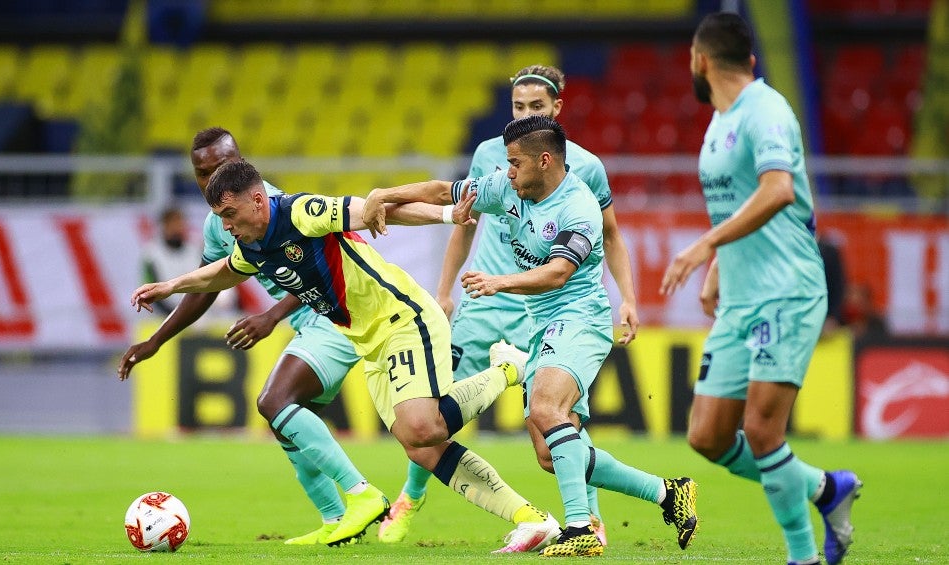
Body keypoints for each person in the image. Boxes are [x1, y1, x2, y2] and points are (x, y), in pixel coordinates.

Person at [130, 159, 563, 553]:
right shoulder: (252, 244)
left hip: (401, 318)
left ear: (258, 201)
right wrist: (170, 286)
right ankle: (532, 520)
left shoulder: (300, 212)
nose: (225, 227)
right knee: (421, 447)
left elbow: (377, 210)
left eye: (228, 214)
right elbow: (222, 272)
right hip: (366, 342)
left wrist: (446, 214)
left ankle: (509, 367)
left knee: (421, 425)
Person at [377, 64, 689, 552]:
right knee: (535, 444)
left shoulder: (581, 190)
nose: (508, 168)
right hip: (497, 304)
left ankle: (586, 526)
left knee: (552, 412)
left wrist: (627, 298)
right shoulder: (501, 168)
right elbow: (449, 201)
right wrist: (382, 199)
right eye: (516, 107)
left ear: (547, 148)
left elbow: (573, 262)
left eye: (533, 108)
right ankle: (666, 493)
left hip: (567, 310)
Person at [659, 12, 862, 565]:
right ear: (746, 58)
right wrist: (720, 267)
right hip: (741, 296)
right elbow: (737, 201)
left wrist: (704, 247)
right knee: (708, 435)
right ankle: (826, 488)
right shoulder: (719, 120)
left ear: (699, 61)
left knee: (762, 429)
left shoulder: (766, 111)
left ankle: (803, 557)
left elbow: (776, 191)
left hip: (786, 290)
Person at [121, 128, 387, 546]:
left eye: (219, 168)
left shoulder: (275, 205)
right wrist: (156, 340)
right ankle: (338, 524)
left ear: (240, 164)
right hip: (313, 320)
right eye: (201, 173)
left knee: (273, 402)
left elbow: (321, 268)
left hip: (339, 311)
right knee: (289, 423)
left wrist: (270, 316)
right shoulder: (218, 224)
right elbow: (210, 286)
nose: (210, 180)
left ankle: (363, 495)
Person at [140, 205, 206, 315]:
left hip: (198, 314)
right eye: (172, 223)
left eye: (180, 223)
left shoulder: (196, 248)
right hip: (162, 316)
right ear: (164, 225)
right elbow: (148, 289)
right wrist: (175, 314)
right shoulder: (151, 254)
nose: (177, 228)